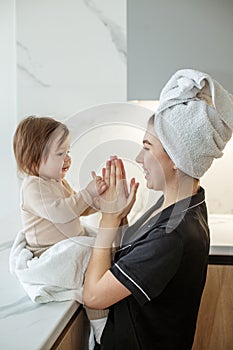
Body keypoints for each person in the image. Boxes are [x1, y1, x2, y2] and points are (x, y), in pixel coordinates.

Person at [83, 69, 233, 349]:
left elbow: (93, 295)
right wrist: (121, 217)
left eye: (148, 147)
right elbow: (135, 262)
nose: (139, 158)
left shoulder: (172, 234)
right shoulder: (183, 205)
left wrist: (108, 218)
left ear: (177, 158)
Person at [13, 115, 108, 346]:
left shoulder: (57, 181)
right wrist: (87, 193)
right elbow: (62, 212)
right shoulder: (33, 186)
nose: (67, 159)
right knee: (92, 264)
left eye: (68, 152)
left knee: (100, 252)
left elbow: (75, 208)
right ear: (34, 159)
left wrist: (97, 202)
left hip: (64, 245)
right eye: (60, 154)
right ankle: (101, 328)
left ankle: (104, 313)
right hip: (47, 253)